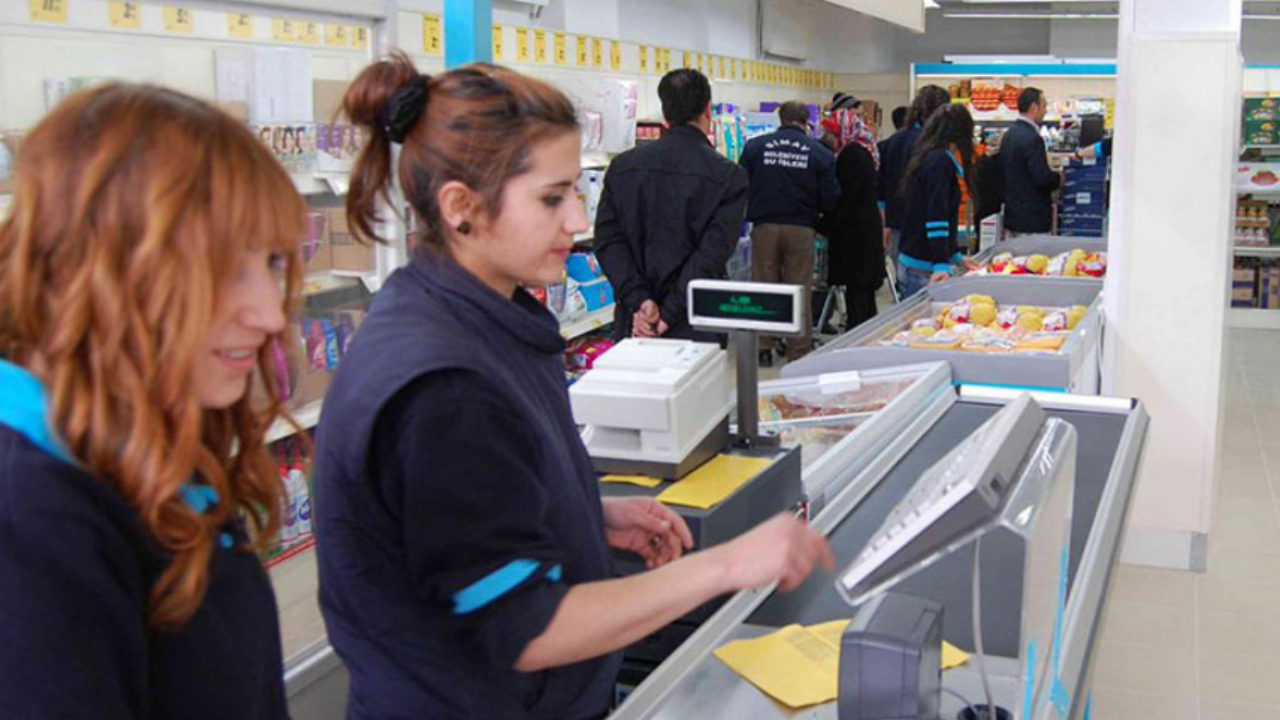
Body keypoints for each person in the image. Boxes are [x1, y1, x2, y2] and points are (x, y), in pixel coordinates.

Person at [312, 55, 833, 720]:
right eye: (553, 198)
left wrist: (579, 511)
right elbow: (526, 628)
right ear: (461, 208)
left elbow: (468, 516)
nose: (576, 219)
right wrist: (728, 565)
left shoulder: (474, 316)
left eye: (577, 192)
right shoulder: (445, 388)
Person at [0, 84, 304, 719]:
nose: (270, 313)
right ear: (105, 267)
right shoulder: (30, 518)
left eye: (273, 261)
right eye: (223, 269)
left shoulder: (133, 432)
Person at [595, 69, 749, 342]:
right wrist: (668, 313)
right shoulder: (727, 176)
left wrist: (640, 301)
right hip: (696, 321)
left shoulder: (622, 168)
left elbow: (609, 241)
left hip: (636, 322)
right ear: (708, 110)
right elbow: (709, 257)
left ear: (665, 113)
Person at [739, 100, 839, 365]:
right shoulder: (819, 152)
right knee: (799, 289)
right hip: (802, 228)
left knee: (764, 286)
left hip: (764, 227)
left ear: (779, 118)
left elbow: (741, 185)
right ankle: (798, 350)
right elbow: (831, 197)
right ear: (806, 122)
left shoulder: (755, 147)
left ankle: (763, 346)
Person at [898, 104, 979, 298]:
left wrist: (955, 256)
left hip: (913, 261)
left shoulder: (927, 156)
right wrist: (941, 263)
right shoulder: (941, 162)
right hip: (923, 268)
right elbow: (937, 216)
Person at [818, 108, 885, 331]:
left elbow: (845, 198)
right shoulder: (864, 151)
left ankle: (857, 334)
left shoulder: (850, 156)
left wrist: (824, 225)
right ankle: (866, 330)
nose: (830, 140)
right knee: (864, 290)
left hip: (855, 233)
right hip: (866, 227)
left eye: (832, 134)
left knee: (857, 287)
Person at [878, 86, 951, 277]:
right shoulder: (933, 149)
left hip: (896, 226)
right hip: (922, 231)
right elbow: (935, 200)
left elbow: (881, 187)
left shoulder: (892, 142)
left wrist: (885, 223)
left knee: (904, 284)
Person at [1000, 87, 1062, 237]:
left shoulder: (1009, 135)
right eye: (1044, 106)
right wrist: (1058, 178)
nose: (1045, 111)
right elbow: (1041, 178)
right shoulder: (1033, 138)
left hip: (1013, 215)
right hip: (1033, 219)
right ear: (1034, 107)